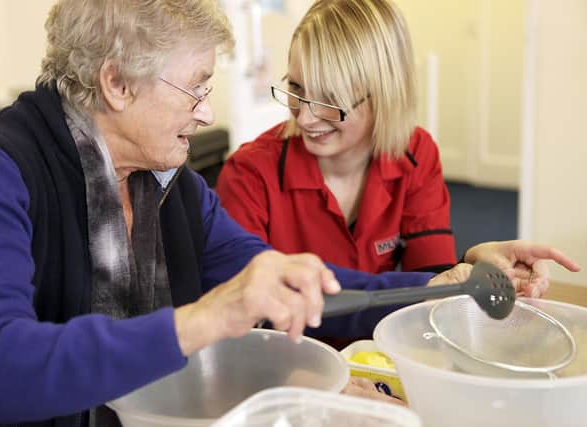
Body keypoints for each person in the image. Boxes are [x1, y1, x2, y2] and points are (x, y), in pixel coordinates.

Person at [0, 0, 495, 425]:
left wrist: (444, 289)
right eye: (195, 89)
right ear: (116, 83)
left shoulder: (173, 188)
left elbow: (290, 284)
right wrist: (205, 319)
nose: (207, 113)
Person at [216, 0, 578, 305]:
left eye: (331, 100)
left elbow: (431, 282)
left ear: (384, 96)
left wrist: (471, 262)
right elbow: (249, 306)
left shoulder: (416, 153)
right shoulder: (250, 173)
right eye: (296, 88)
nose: (307, 116)